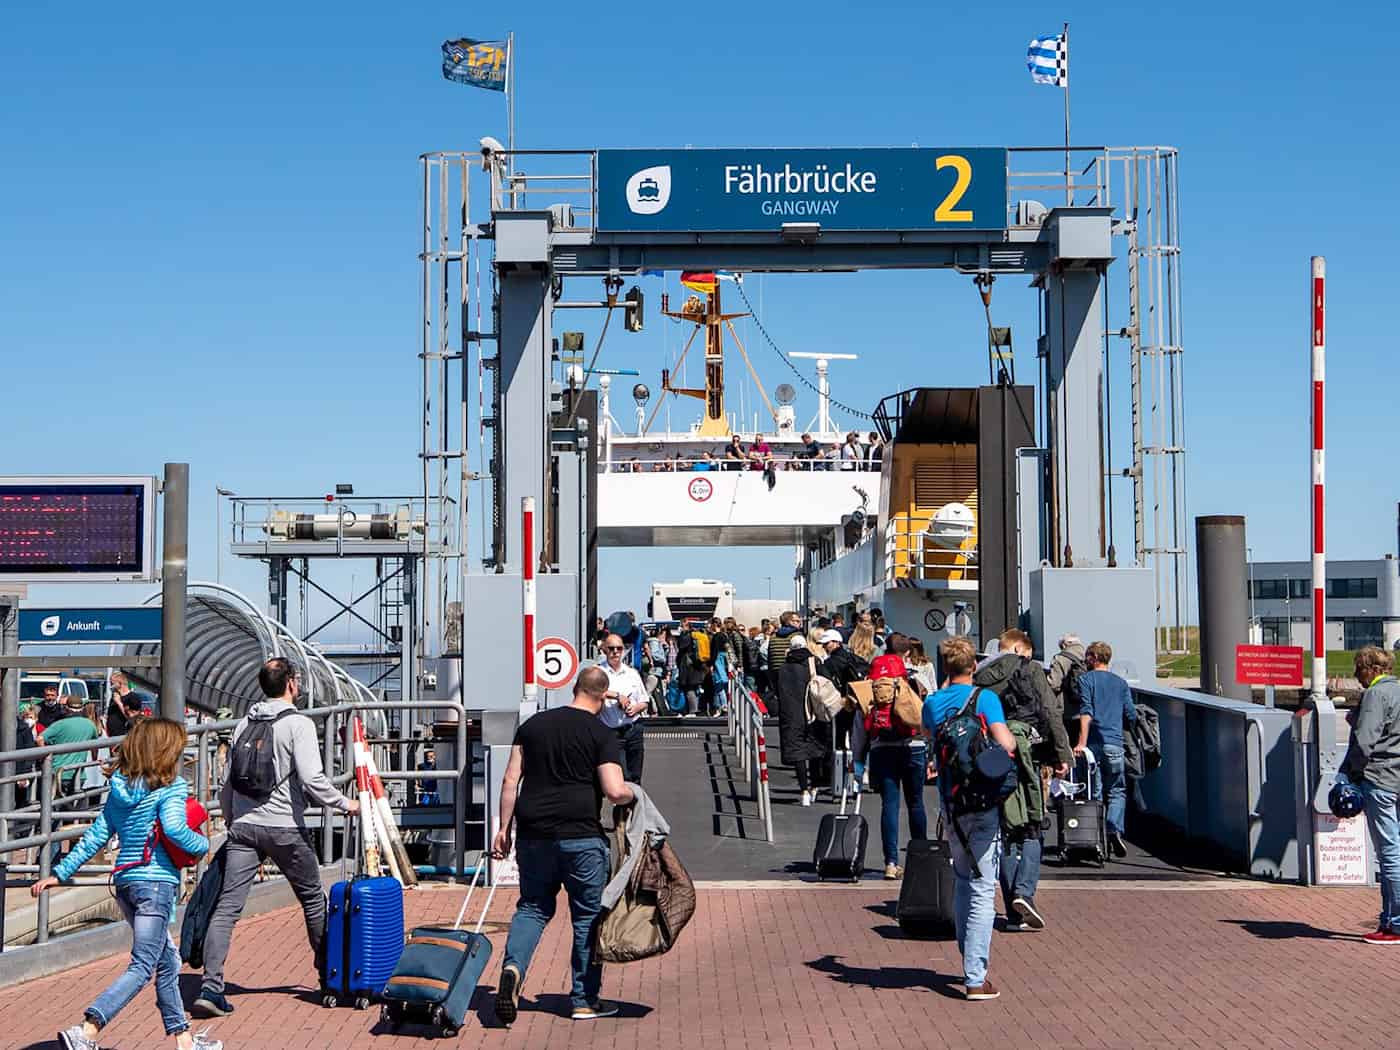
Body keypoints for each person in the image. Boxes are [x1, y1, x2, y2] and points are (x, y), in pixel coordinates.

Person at [33, 717, 217, 1050]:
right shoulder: (171, 787)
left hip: (126, 883)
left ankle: (185, 1042)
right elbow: (175, 830)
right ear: (165, 751)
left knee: (168, 962)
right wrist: (203, 845)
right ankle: (87, 1029)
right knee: (144, 964)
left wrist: (60, 872)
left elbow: (96, 837)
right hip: (155, 884)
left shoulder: (119, 788)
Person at [194, 658, 359, 1018]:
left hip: (244, 829)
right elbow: (313, 780)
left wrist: (231, 818)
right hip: (286, 829)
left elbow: (227, 783)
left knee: (227, 909)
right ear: (291, 684)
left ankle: (211, 986)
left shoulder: (243, 724)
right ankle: (328, 979)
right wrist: (346, 803)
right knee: (314, 901)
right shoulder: (298, 724)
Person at [493, 666, 634, 1024]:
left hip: (533, 834)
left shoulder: (533, 726)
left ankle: (512, 969)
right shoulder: (602, 733)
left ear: (574, 688)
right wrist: (636, 793)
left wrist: (503, 830)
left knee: (532, 908)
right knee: (587, 917)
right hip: (581, 837)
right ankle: (584, 1000)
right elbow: (615, 791)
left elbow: (511, 780)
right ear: (602, 697)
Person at [923, 636, 1016, 1001]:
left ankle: (969, 959)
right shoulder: (984, 699)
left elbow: (930, 737)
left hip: (951, 803)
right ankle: (975, 976)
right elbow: (1005, 743)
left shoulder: (932, 703)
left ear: (945, 667)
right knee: (981, 887)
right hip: (984, 802)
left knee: (963, 878)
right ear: (973, 666)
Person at [972, 628, 1072, 931]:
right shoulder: (1030, 669)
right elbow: (1050, 712)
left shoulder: (982, 675)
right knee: (1032, 825)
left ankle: (1014, 913)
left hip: (995, 762)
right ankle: (1024, 893)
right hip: (1033, 757)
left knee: (1006, 832)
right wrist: (1062, 755)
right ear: (1019, 649)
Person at [852, 642, 927, 879]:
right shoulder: (914, 681)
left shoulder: (869, 688)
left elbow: (858, 729)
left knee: (890, 806)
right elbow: (926, 715)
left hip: (882, 749)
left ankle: (891, 863)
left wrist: (858, 759)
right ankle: (920, 858)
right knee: (916, 803)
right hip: (913, 748)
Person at [1341, 646, 1400, 944]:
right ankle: (1389, 919)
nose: (1355, 674)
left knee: (1389, 854)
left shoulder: (1376, 695)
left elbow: (1365, 743)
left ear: (1369, 669)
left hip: (1381, 780)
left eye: (1357, 668)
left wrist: (1350, 774)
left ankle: (1395, 923)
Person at [1073, 641, 1136, 859]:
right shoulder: (1121, 683)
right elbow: (1131, 714)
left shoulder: (1085, 680)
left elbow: (1086, 711)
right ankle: (1113, 828)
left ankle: (1095, 839)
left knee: (1095, 792)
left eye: (1087, 656)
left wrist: (1081, 742)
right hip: (1114, 743)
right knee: (1117, 790)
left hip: (1093, 744)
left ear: (1093, 658)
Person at [774, 635, 825, 806]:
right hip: (814, 712)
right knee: (815, 751)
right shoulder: (815, 664)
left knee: (798, 753)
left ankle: (804, 791)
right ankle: (815, 787)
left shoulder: (783, 668)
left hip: (791, 715)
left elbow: (777, 690)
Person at [598, 632, 648, 782]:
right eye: (611, 648)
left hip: (633, 729)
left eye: (619, 648)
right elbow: (591, 692)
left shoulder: (632, 673)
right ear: (604, 650)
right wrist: (617, 695)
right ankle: (623, 804)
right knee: (622, 777)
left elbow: (644, 700)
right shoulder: (598, 672)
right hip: (611, 731)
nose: (615, 652)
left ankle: (632, 805)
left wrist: (636, 708)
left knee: (635, 777)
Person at [43, 695, 101, 798]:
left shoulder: (59, 724)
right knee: (73, 807)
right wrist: (94, 758)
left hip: (58, 772)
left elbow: (40, 738)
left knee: (55, 808)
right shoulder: (90, 724)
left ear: (66, 708)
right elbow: (95, 746)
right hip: (79, 773)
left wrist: (45, 757)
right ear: (82, 708)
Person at [674, 621, 708, 717]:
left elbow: (681, 646)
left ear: (686, 626)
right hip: (695, 665)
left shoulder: (687, 635)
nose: (680, 627)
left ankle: (693, 711)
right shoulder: (697, 635)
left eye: (682, 626)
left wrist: (681, 634)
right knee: (692, 688)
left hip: (688, 666)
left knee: (689, 689)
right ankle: (691, 710)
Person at [106, 672, 139, 736]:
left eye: (112, 684)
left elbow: (132, 718)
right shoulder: (115, 697)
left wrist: (119, 703)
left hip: (124, 735)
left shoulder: (133, 697)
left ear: (120, 683)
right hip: (112, 735)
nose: (111, 687)